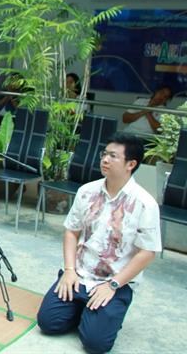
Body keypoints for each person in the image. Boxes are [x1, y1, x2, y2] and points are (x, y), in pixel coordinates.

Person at [37, 133, 161, 354]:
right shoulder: (87, 191)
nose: (104, 159)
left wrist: (114, 284)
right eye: (104, 154)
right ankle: (85, 308)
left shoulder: (144, 203)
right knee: (48, 323)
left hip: (115, 282)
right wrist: (69, 270)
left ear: (131, 164)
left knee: (95, 344)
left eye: (113, 156)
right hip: (80, 274)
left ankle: (103, 313)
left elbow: (147, 252)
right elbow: (71, 232)